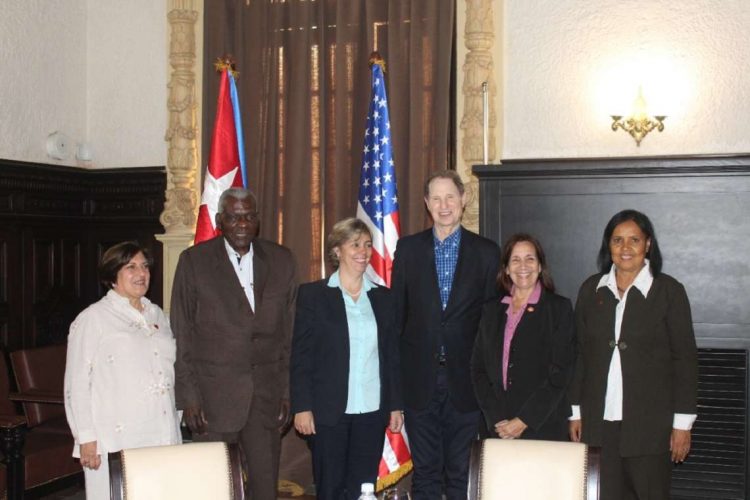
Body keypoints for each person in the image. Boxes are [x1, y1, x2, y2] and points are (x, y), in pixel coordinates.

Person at [171, 187, 297, 500]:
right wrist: (189, 397)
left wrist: (287, 391)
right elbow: (181, 332)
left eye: (249, 216)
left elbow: (291, 333)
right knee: (214, 487)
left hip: (266, 397)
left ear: (258, 221)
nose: (242, 224)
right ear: (219, 220)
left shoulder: (281, 260)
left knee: (264, 488)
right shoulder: (194, 262)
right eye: (234, 217)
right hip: (212, 400)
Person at [569, 209, 698, 500]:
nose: (625, 248)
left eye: (634, 240)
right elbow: (580, 354)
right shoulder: (592, 290)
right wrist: (575, 411)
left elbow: (685, 360)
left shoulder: (669, 291)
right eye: (617, 240)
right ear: (608, 246)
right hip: (599, 423)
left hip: (651, 426)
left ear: (648, 244)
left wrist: (682, 424)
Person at [391, 170, 501, 499]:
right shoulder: (408, 250)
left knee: (461, 473)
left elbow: (491, 324)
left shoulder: (486, 252)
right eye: (436, 198)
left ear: (463, 200)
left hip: (466, 383)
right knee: (425, 475)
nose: (444, 205)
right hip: (419, 384)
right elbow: (396, 323)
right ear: (426, 204)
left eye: (450, 197)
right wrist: (394, 396)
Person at [290, 217, 403, 499]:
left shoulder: (383, 298)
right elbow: (301, 357)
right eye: (355, 245)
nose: (363, 252)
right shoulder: (312, 296)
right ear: (337, 251)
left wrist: (395, 405)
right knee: (330, 488)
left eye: (367, 245)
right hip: (328, 413)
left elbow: (392, 357)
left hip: (372, 412)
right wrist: (302, 406)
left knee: (363, 488)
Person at [64, 241, 182, 500]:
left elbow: (170, 372)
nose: (141, 273)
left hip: (161, 431)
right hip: (116, 438)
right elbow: (77, 383)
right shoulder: (93, 318)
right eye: (131, 267)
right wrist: (86, 437)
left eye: (145, 266)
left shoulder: (157, 315)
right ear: (112, 277)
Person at [471, 233, 575, 441]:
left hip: (543, 426)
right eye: (515, 260)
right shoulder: (491, 311)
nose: (523, 266)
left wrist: (524, 420)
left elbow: (561, 373)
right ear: (507, 269)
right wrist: (497, 419)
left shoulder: (559, 309)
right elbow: (478, 369)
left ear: (540, 266)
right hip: (498, 429)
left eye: (530, 259)